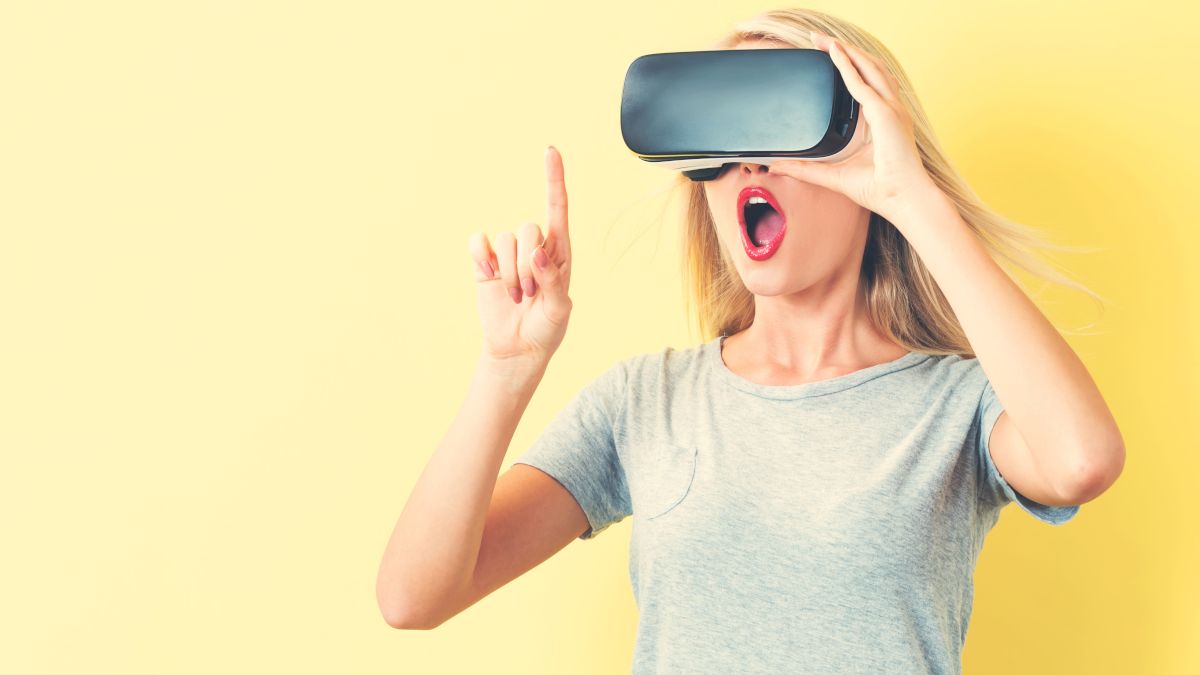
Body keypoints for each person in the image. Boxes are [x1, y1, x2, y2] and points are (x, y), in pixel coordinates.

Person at [375, 8, 1126, 673]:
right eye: (724, 141)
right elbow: (413, 595)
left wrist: (911, 198)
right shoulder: (645, 400)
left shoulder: (955, 404)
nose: (751, 164)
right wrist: (507, 371)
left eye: (781, 128)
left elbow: (1081, 460)